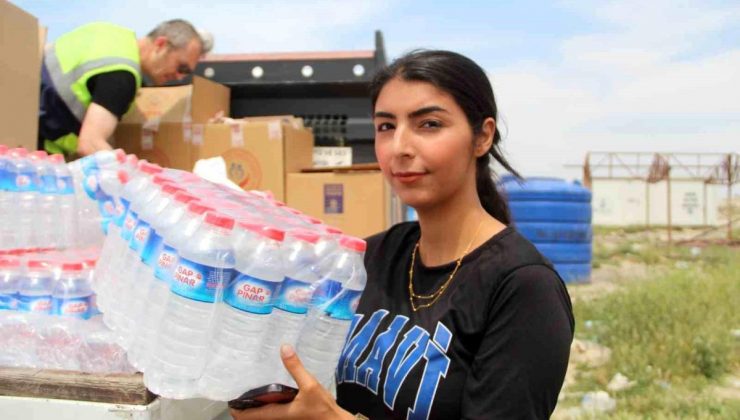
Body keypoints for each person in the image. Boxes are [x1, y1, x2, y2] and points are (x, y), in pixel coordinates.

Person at [230, 50, 575, 420]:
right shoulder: (377, 255)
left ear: (482, 137)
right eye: (386, 127)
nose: (400, 148)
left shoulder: (523, 288)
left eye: (428, 124)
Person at [38, 19, 212, 158]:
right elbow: (90, 143)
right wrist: (136, 178)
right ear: (161, 44)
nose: (180, 76)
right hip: (34, 147)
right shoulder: (123, 75)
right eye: (182, 67)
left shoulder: (110, 36)